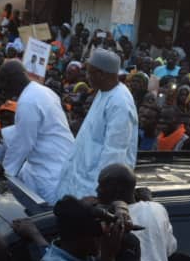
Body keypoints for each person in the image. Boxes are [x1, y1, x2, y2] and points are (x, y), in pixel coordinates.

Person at [57, 49, 139, 200]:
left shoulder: (120, 102)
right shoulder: (103, 92)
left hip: (93, 192)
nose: (87, 77)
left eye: (89, 73)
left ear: (101, 74)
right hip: (80, 185)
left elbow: (114, 154)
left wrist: (100, 195)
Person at [0, 59, 75, 203]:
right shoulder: (43, 91)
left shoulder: (27, 102)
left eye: (2, 82)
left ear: (10, 80)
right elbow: (41, 128)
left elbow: (23, 143)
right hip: (62, 166)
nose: (1, 87)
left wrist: (4, 171)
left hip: (49, 174)